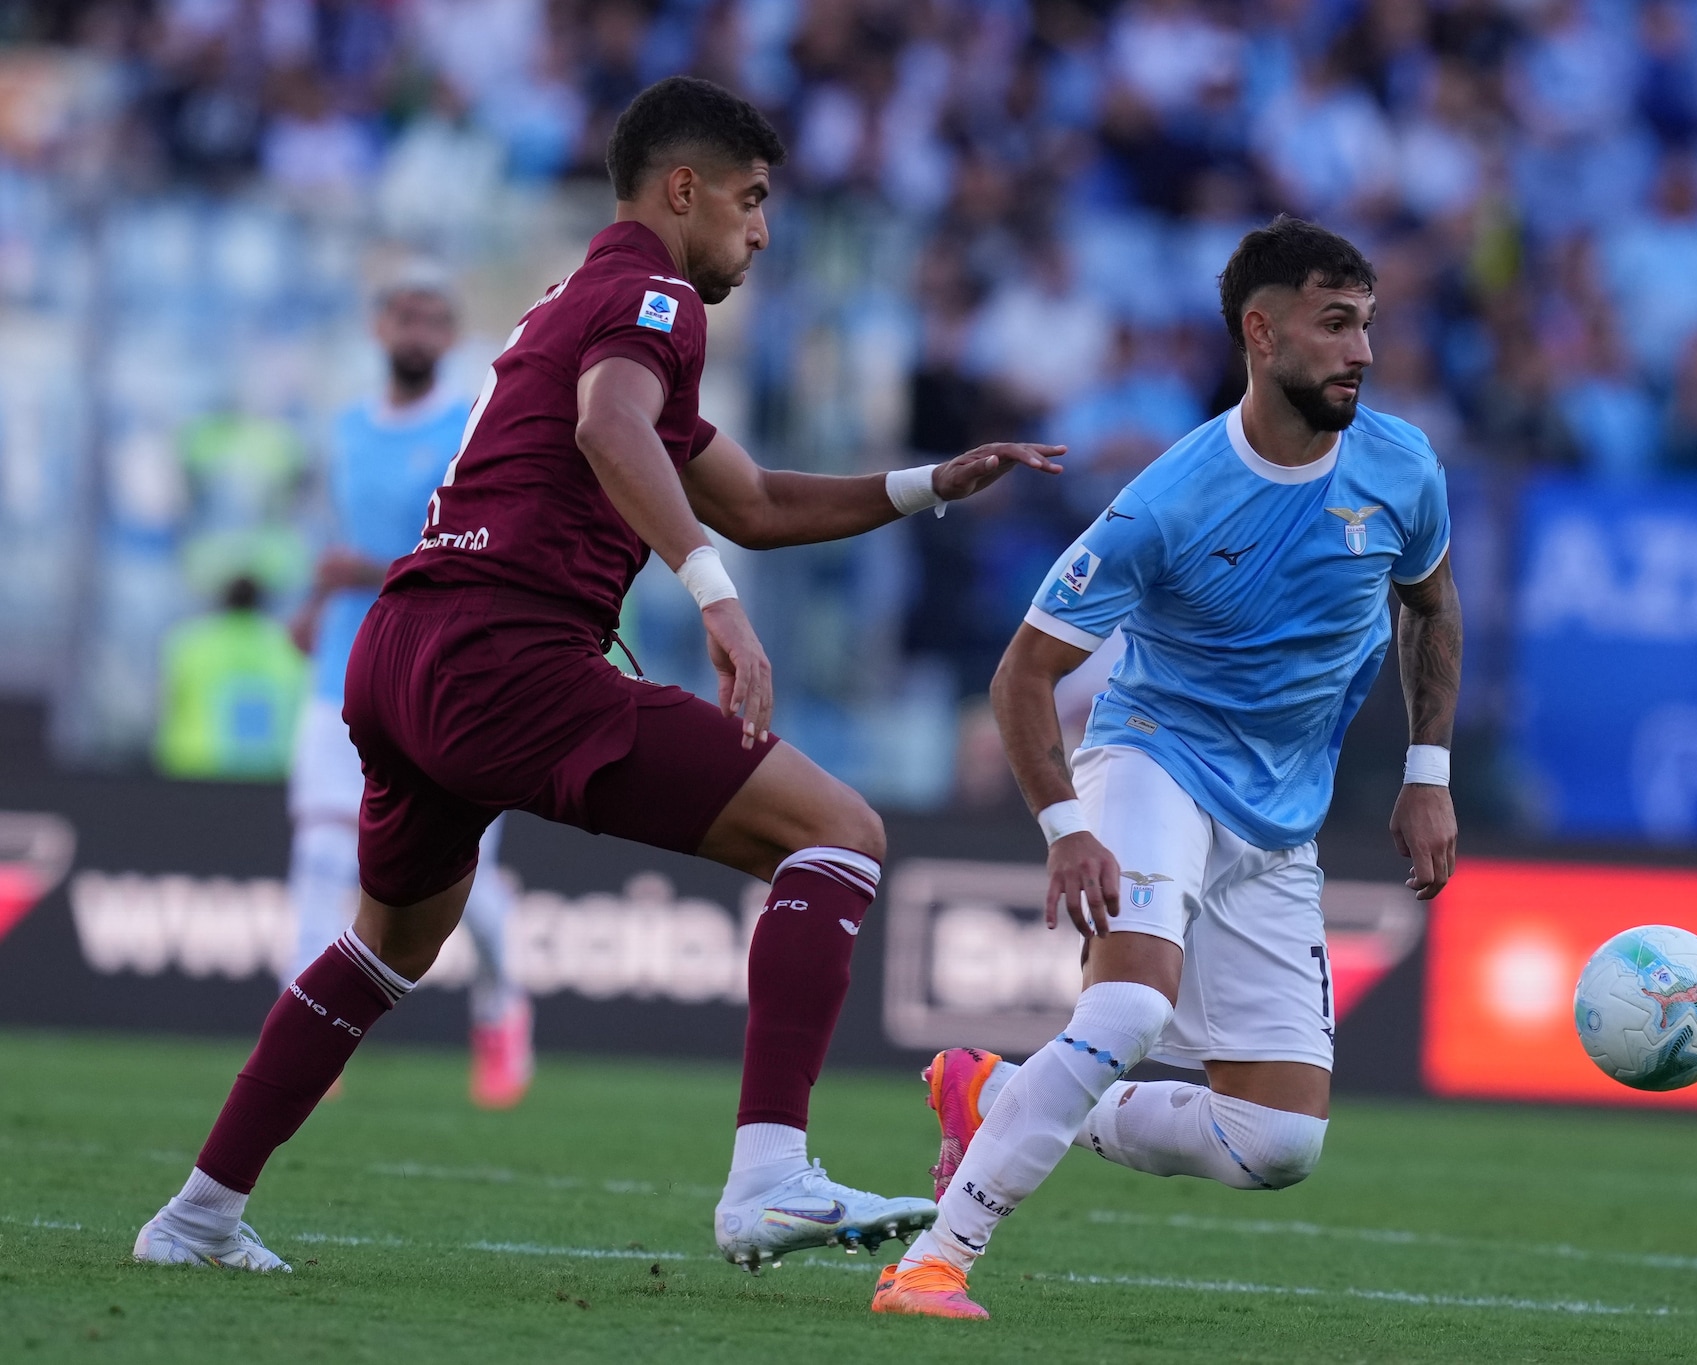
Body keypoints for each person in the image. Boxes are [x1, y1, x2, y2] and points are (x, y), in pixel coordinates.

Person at [134, 77, 1062, 1277]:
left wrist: (927, 484)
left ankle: (198, 1215)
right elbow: (609, 433)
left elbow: (760, 496)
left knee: (385, 948)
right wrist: (716, 602)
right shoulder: (656, 295)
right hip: (505, 653)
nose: (763, 229)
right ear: (685, 190)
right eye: (751, 198)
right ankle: (770, 1176)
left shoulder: (574, 303)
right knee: (838, 833)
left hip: (403, 653)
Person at [871, 217, 1462, 1319]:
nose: (1361, 352)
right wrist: (1066, 829)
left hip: (1278, 818)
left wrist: (1425, 770)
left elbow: (1429, 604)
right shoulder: (1170, 499)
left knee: (1276, 1142)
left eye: (1367, 326)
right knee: (1130, 1010)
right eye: (1334, 326)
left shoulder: (1401, 466)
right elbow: (1021, 674)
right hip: (1156, 764)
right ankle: (931, 1264)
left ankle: (993, 1092)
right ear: (1260, 331)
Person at [284, 270, 532, 1110]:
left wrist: (364, 571)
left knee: (467, 885)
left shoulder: (468, 426)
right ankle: (307, 1047)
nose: (419, 331)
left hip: (437, 673)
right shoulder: (348, 428)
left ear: (453, 335)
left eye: (436, 319)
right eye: (407, 316)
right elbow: (336, 538)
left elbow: (480, 551)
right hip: (340, 672)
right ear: (380, 327)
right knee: (321, 858)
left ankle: (502, 1004)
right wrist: (315, 602)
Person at [155, 575, 306, 780]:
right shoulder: (285, 646)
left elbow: (170, 704)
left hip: (197, 766)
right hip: (269, 772)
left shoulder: (190, 644)